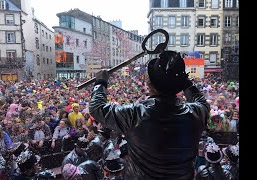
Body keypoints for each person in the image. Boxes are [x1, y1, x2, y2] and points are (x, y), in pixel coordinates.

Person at [89, 50, 210, 179]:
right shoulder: (196, 113)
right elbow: (201, 100)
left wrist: (100, 83)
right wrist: (183, 80)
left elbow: (96, 107)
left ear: (149, 85)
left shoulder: (135, 114)